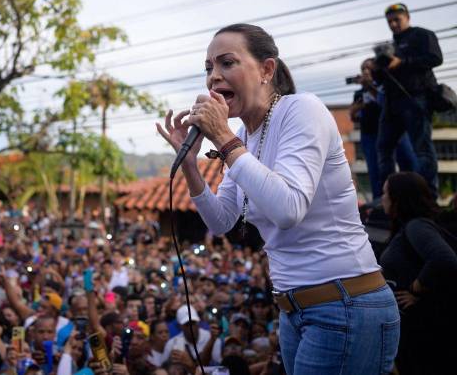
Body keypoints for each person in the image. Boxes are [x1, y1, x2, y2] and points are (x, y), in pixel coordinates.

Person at [157, 23, 400, 374]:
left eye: (227, 63)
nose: (213, 78)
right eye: (209, 68)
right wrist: (191, 162)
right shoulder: (243, 136)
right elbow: (222, 220)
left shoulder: (302, 110)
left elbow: (288, 209)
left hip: (345, 304)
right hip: (293, 312)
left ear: (266, 70)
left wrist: (224, 139)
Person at [379, 172, 457, 374]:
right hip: (417, 330)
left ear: (398, 199)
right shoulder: (409, 227)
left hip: (426, 332)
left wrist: (417, 288)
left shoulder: (417, 226)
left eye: (385, 193)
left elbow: (444, 259)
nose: (382, 198)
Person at [375, 3, 443, 197]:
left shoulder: (422, 35)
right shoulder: (390, 46)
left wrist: (402, 62)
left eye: (397, 19)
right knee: (384, 148)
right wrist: (377, 69)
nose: (394, 24)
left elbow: (435, 58)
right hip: (391, 102)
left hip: (416, 98)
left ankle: (427, 196)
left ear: (407, 17)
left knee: (422, 148)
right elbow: (384, 76)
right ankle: (386, 197)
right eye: (390, 22)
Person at [349, 58, 417, 200]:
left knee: (408, 163)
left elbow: (385, 102)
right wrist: (355, 111)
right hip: (370, 134)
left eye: (369, 68)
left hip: (394, 131)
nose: (366, 71)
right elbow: (355, 118)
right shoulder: (359, 93)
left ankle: (412, 197)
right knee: (377, 171)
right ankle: (381, 202)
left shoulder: (386, 85)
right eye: (363, 69)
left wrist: (370, 87)